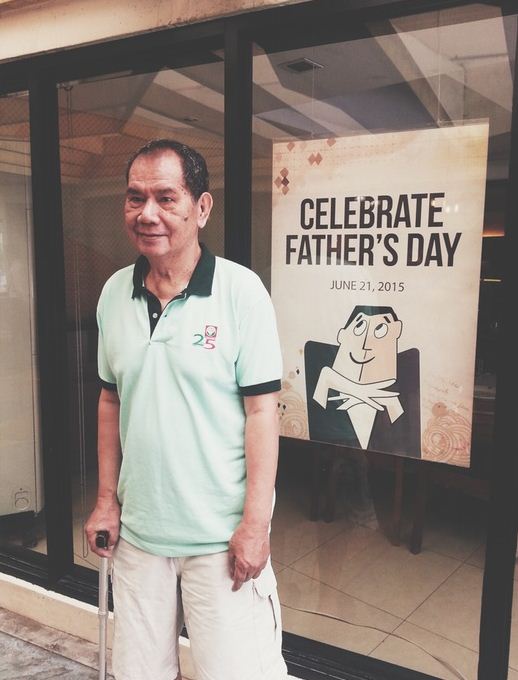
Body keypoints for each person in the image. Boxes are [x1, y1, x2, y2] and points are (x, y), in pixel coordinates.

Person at [85, 139, 287, 680]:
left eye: (165, 198)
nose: (146, 213)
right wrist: (106, 501)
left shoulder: (241, 293)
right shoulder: (113, 294)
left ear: (201, 208)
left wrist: (255, 525)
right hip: (140, 537)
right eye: (135, 198)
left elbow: (262, 413)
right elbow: (110, 398)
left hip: (220, 542)